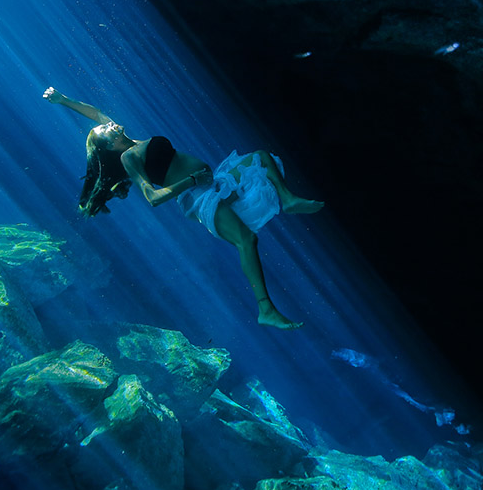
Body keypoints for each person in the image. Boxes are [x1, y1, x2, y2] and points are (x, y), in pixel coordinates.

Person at [43, 86, 324, 330]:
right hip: (199, 197)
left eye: (106, 124)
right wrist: (191, 180)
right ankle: (265, 309)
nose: (108, 123)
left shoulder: (133, 142)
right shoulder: (129, 157)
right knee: (246, 240)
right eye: (106, 129)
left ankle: (287, 200)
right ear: (111, 144)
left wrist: (63, 99)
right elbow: (152, 198)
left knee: (261, 158)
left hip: (214, 184)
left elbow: (95, 113)